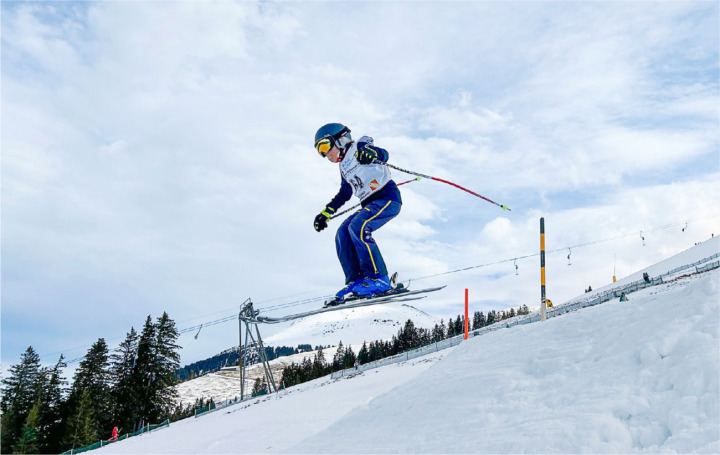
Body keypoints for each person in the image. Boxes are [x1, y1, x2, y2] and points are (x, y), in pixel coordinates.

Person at [313, 123, 402, 303]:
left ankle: (379, 279)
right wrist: (325, 213)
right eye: (320, 152)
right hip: (369, 204)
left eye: (324, 147)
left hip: (387, 198)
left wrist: (373, 154)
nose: (325, 155)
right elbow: (345, 193)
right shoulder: (343, 167)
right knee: (343, 233)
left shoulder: (359, 146)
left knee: (358, 226)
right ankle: (357, 280)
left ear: (340, 139)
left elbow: (383, 154)